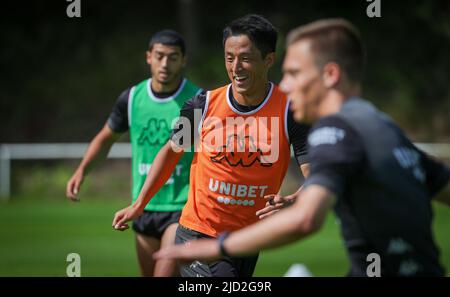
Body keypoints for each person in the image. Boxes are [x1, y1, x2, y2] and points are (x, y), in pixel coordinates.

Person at [153, 19, 450, 277]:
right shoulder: (383, 126)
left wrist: (219, 246)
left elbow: (306, 219)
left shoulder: (335, 133)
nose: (287, 85)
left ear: (330, 75)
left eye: (295, 73)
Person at [112, 14, 311, 277]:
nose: (236, 67)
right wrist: (139, 204)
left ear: (269, 60)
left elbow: (315, 172)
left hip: (248, 239)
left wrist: (294, 200)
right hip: (199, 231)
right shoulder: (202, 106)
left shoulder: (290, 111)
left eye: (246, 58)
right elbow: (172, 153)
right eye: (230, 58)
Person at [66, 30, 202, 276]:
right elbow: (106, 139)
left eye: (173, 57)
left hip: (183, 207)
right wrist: (82, 170)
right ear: (148, 57)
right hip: (143, 206)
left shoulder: (196, 100)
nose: (165, 64)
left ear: (183, 60)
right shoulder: (131, 99)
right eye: (159, 56)